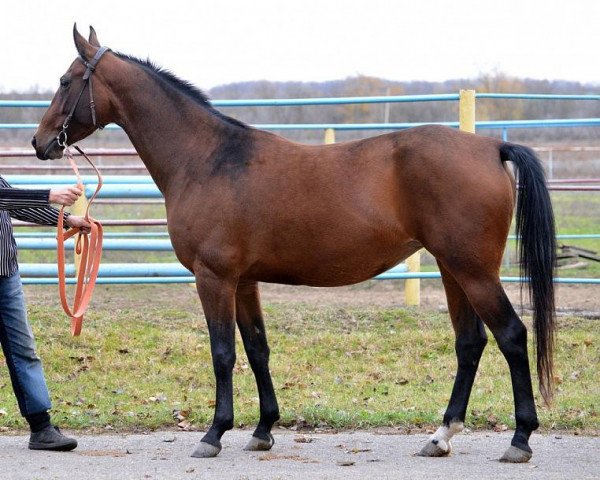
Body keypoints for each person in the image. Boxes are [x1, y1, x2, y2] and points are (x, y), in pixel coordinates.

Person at [0, 174, 91, 451]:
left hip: (5, 274)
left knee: (23, 349)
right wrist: (49, 194)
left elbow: (14, 204)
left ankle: (41, 427)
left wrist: (66, 220)